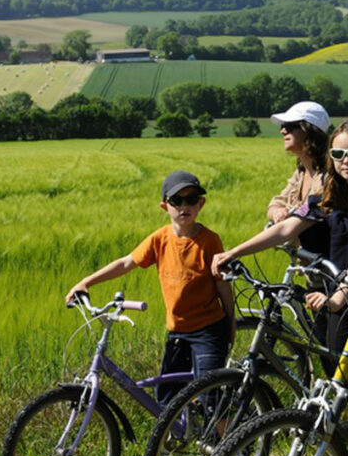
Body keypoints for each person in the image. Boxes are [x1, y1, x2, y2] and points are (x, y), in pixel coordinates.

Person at [213, 119, 348, 443]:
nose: (345, 161)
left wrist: (337, 297)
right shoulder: (330, 195)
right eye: (338, 154)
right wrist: (234, 252)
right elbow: (285, 228)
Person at [65, 170, 235, 399]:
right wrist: (86, 282)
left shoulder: (209, 240)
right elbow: (126, 262)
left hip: (208, 331)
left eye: (191, 199)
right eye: (177, 200)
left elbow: (222, 284)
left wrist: (230, 321)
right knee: (166, 396)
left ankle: (228, 436)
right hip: (177, 332)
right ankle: (181, 434)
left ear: (201, 204)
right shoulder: (159, 239)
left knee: (210, 397)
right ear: (165, 206)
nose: (185, 206)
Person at [266, 101, 330, 223]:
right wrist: (277, 212)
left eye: (289, 126)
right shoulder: (301, 173)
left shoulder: (328, 177)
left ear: (309, 130)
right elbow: (276, 202)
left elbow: (297, 224)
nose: (283, 131)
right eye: (282, 126)